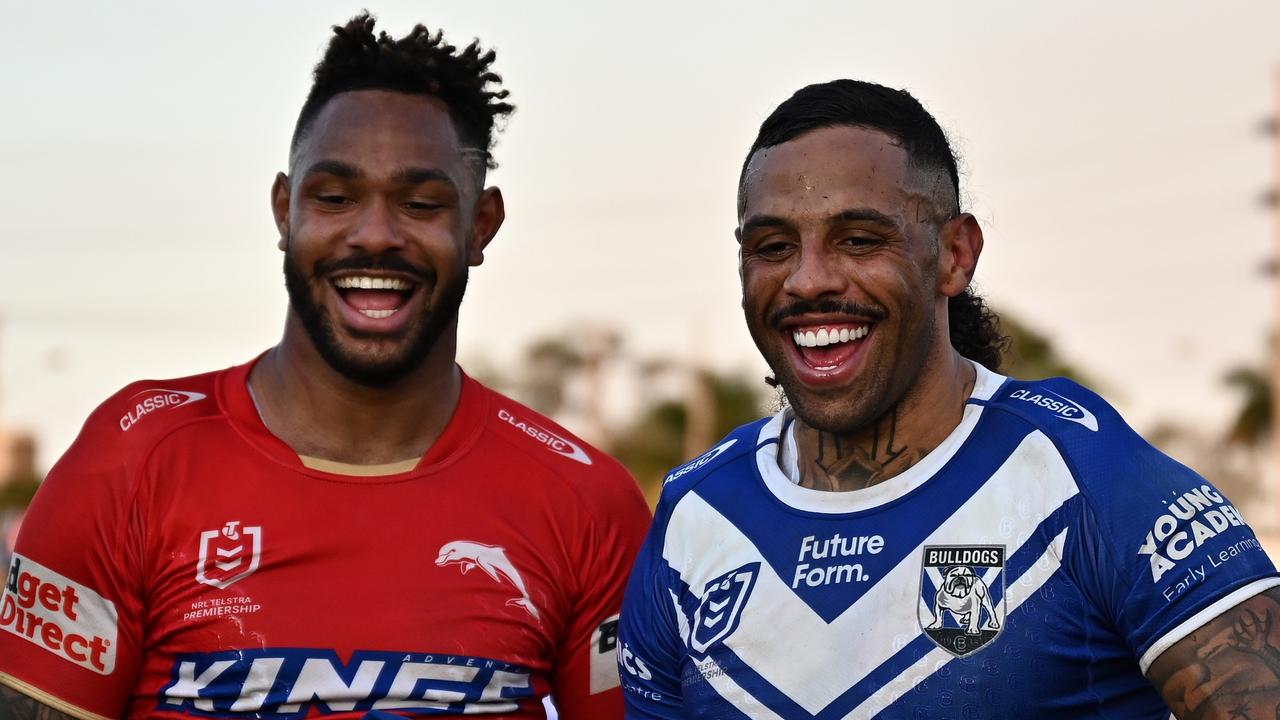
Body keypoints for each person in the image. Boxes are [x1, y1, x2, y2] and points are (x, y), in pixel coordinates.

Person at [0, 13, 649, 720]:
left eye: (421, 203)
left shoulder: (587, 503)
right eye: (334, 197)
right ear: (285, 210)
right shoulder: (131, 461)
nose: (374, 234)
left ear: (480, 226)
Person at [617, 79, 1280, 718]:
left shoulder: (1081, 478)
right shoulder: (693, 520)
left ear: (955, 255)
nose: (807, 279)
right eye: (772, 246)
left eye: (858, 239)